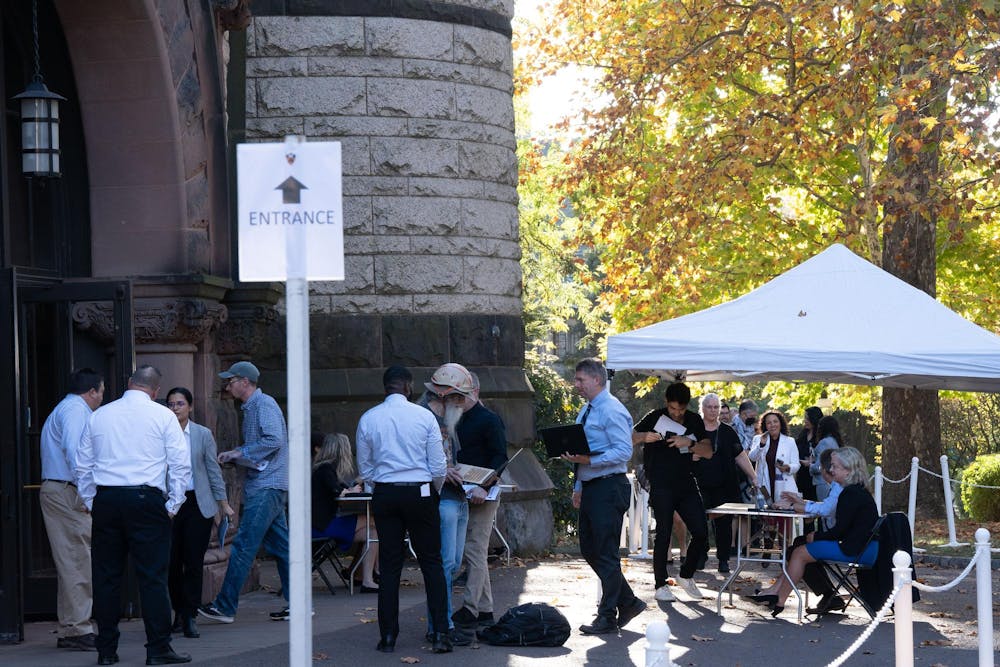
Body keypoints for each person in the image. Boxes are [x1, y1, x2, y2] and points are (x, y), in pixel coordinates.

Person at [75, 365, 192, 666]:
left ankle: (106, 651)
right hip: (146, 499)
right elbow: (180, 464)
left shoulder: (100, 415)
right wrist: (173, 505)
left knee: (106, 577)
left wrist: (91, 499)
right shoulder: (163, 415)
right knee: (152, 578)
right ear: (154, 391)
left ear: (129, 383)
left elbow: (82, 464)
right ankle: (157, 648)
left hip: (108, 498)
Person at [356, 366, 452, 654]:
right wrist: (432, 490)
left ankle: (388, 636)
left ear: (385, 387)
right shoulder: (424, 417)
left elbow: (365, 467)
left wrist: (378, 488)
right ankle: (440, 634)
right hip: (420, 490)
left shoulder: (369, 418)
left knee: (389, 565)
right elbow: (438, 465)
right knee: (431, 563)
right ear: (408, 387)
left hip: (385, 492)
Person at [199, 361, 291, 624]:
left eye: (231, 381)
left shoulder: (263, 405)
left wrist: (240, 452)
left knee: (242, 546)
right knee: (282, 549)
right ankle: (300, 604)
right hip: (268, 485)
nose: (228, 385)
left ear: (245, 382)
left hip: (266, 485)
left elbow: (274, 440)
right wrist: (240, 453)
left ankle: (225, 606)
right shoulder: (255, 406)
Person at [562, 358, 647, 635]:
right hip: (592, 487)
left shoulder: (612, 410)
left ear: (597, 380)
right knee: (590, 549)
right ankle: (629, 601)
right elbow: (581, 452)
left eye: (580, 380)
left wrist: (589, 460)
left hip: (609, 486)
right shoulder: (586, 410)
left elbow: (624, 452)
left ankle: (607, 616)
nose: (577, 385)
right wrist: (578, 486)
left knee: (606, 552)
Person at [752, 447, 878, 617]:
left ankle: (779, 600)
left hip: (858, 549)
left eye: (835, 467)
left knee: (799, 552)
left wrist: (817, 536)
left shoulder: (850, 493)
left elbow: (840, 530)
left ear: (848, 471)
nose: (831, 471)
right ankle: (778, 596)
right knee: (800, 548)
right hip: (862, 547)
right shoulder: (855, 491)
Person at [39, 368, 104, 652]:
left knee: (72, 561)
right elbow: (78, 455)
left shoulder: (66, 408)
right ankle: (77, 629)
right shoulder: (76, 411)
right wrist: (88, 496)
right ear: (92, 391)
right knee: (78, 561)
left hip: (63, 490)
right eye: (101, 391)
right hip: (68, 492)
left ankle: (72, 627)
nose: (102, 397)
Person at [633, 382, 714, 602]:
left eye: (680, 409)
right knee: (664, 533)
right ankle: (660, 584)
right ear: (666, 404)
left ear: (687, 406)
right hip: (660, 483)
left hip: (687, 483)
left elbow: (708, 451)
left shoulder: (695, 420)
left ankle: (686, 575)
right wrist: (644, 437)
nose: (676, 414)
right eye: (672, 409)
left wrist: (689, 442)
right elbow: (628, 437)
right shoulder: (654, 416)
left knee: (700, 532)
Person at [416, 363, 476, 646]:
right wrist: (442, 472)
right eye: (459, 396)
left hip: (455, 495)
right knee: (445, 563)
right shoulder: (425, 417)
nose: (463, 402)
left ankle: (441, 622)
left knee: (450, 564)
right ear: (445, 396)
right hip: (441, 499)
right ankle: (441, 624)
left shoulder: (446, 418)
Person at [165, 387, 233, 639]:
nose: (175, 408)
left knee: (193, 561)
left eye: (180, 404)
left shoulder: (202, 434)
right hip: (171, 504)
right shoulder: (161, 432)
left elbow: (213, 471)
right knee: (172, 563)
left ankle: (190, 615)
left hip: (197, 503)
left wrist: (223, 503)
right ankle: (178, 612)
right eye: (171, 404)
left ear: (190, 407)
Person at [451, 371, 507, 631]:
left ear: (473, 390)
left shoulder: (488, 419)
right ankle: (485, 610)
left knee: (474, 549)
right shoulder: (456, 418)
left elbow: (500, 458)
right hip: (463, 490)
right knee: (473, 551)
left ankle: (471, 608)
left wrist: (485, 487)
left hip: (484, 492)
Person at [693, 393, 756, 574]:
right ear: (702, 409)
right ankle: (701, 555)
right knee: (698, 522)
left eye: (716, 407)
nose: (713, 411)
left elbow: (740, 455)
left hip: (724, 485)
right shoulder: (694, 430)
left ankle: (723, 559)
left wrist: (753, 476)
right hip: (698, 484)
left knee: (724, 524)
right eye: (709, 407)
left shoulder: (728, 431)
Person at [311, 433, 379, 590]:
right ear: (342, 451)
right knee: (375, 521)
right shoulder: (325, 469)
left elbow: (339, 489)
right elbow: (338, 492)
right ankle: (373, 573)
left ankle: (363, 577)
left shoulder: (324, 469)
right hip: (321, 525)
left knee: (374, 532)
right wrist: (352, 490)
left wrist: (352, 487)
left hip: (322, 523)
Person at [795, 406, 823, 504]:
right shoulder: (802, 435)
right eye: (805, 418)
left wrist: (812, 462)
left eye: (807, 418)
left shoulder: (820, 438)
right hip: (802, 474)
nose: (805, 421)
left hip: (814, 477)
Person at [811, 416, 844, 501]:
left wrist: (810, 465)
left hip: (823, 481)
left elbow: (820, 466)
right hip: (834, 481)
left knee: (824, 505)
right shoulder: (835, 441)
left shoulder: (824, 442)